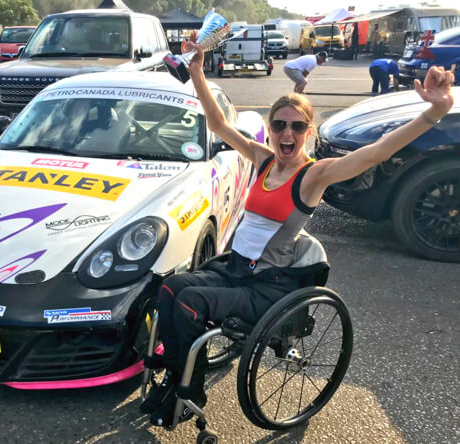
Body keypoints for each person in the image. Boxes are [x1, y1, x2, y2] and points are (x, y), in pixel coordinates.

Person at [140, 30, 455, 428]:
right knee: (169, 289)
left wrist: (434, 113)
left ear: (308, 131)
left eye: (297, 126)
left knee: (190, 304)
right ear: (270, 129)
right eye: (280, 125)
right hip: (236, 267)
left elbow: (376, 153)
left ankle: (188, 388)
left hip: (268, 283)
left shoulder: (313, 176)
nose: (287, 133)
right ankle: (176, 372)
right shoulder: (264, 160)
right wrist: (199, 71)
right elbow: (219, 124)